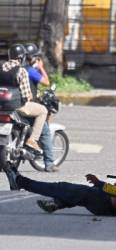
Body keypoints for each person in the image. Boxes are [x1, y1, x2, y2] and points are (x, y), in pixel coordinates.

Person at [3, 153, 116, 216]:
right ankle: (57, 203)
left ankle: (19, 181)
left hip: (105, 202)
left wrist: (100, 183)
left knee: (61, 187)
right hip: (115, 208)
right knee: (78, 193)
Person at [0, 44, 47, 152]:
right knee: (43, 110)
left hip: (1, 106)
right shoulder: (21, 71)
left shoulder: (1, 68)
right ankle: (32, 140)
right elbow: (26, 95)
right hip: (16, 107)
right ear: (21, 57)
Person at [24, 43, 57, 172]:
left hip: (11, 105)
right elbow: (46, 82)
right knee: (46, 132)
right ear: (32, 58)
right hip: (28, 106)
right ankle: (49, 164)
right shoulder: (30, 70)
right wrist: (41, 67)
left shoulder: (16, 68)